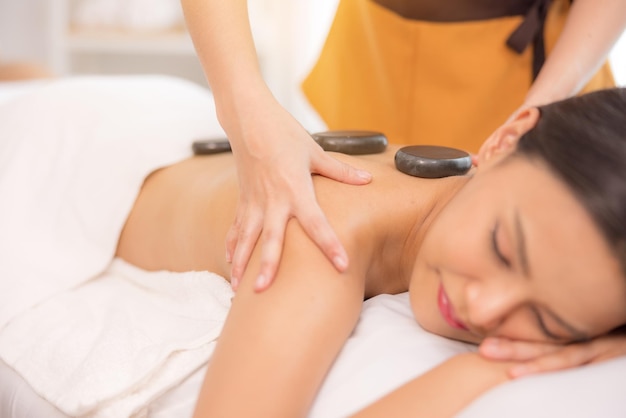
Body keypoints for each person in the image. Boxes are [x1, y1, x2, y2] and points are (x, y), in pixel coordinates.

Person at [116, 88, 626, 416]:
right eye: (504, 249)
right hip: (113, 148)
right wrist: (487, 370)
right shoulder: (322, 235)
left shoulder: (471, 192)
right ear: (505, 139)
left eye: (549, 323)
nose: (485, 310)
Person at [180, 0, 626, 301]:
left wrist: (540, 105)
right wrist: (243, 104)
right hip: (378, 48)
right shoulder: (329, 230)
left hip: (537, 71)